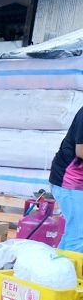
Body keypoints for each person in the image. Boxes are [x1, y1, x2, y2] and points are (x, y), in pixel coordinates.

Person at [49, 104, 83, 252]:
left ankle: (56, 272)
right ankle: (72, 275)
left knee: (73, 232)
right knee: (79, 235)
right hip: (69, 181)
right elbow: (80, 151)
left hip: (78, 182)